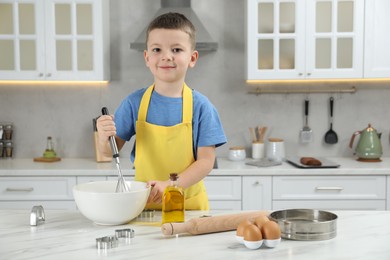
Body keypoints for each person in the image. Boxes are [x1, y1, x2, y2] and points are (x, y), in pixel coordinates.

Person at [97, 12, 226, 210]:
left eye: (176, 49)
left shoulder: (202, 108)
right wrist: (103, 136)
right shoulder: (134, 104)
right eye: (157, 49)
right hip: (145, 207)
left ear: (192, 58)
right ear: (147, 58)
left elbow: (206, 162)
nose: (166, 56)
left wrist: (170, 185)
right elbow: (108, 151)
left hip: (188, 209)